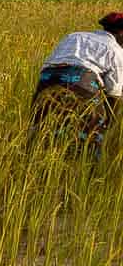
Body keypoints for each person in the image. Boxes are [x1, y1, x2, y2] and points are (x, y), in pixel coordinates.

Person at [30, 12, 123, 158]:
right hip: (82, 81)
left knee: (41, 134)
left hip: (47, 81)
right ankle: (84, 174)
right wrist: (108, 124)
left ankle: (32, 170)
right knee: (88, 140)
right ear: (121, 32)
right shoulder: (116, 51)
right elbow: (114, 95)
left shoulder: (74, 36)